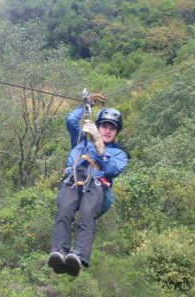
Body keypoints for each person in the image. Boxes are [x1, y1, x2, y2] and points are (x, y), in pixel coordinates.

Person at [47, 94, 128, 277]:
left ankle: (79, 255)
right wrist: (86, 106)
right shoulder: (82, 140)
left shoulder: (119, 154)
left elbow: (113, 170)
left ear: (116, 132)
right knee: (65, 209)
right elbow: (71, 121)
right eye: (104, 126)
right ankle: (59, 252)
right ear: (98, 126)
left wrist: (100, 146)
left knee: (86, 214)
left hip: (97, 184)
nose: (107, 131)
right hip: (74, 179)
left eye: (112, 128)